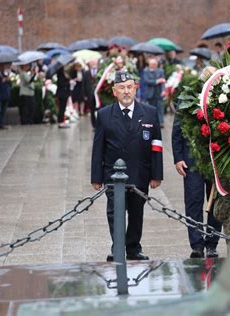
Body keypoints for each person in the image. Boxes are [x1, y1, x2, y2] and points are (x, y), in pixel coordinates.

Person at [91, 71, 163, 261]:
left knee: (136, 213)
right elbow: (98, 147)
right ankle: (118, 248)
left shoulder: (149, 112)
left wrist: (157, 175)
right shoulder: (105, 115)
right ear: (114, 91)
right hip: (113, 174)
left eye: (129, 87)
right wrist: (96, 177)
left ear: (135, 89)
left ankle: (133, 248)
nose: (126, 91)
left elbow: (156, 145)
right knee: (115, 213)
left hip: (140, 172)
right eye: (121, 88)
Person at [172, 115, 222, 258]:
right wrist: (178, 158)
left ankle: (212, 243)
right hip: (191, 158)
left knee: (216, 201)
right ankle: (197, 245)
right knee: (193, 199)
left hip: (215, 156)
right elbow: (177, 129)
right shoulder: (187, 93)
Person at [144, 58, 166, 128]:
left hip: (159, 92)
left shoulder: (160, 71)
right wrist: (157, 81)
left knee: (160, 107)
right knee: (151, 108)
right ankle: (152, 122)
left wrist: (163, 90)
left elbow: (163, 82)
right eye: (152, 64)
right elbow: (147, 81)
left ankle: (161, 122)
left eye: (155, 64)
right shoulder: (146, 71)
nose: (153, 65)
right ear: (149, 65)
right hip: (150, 93)